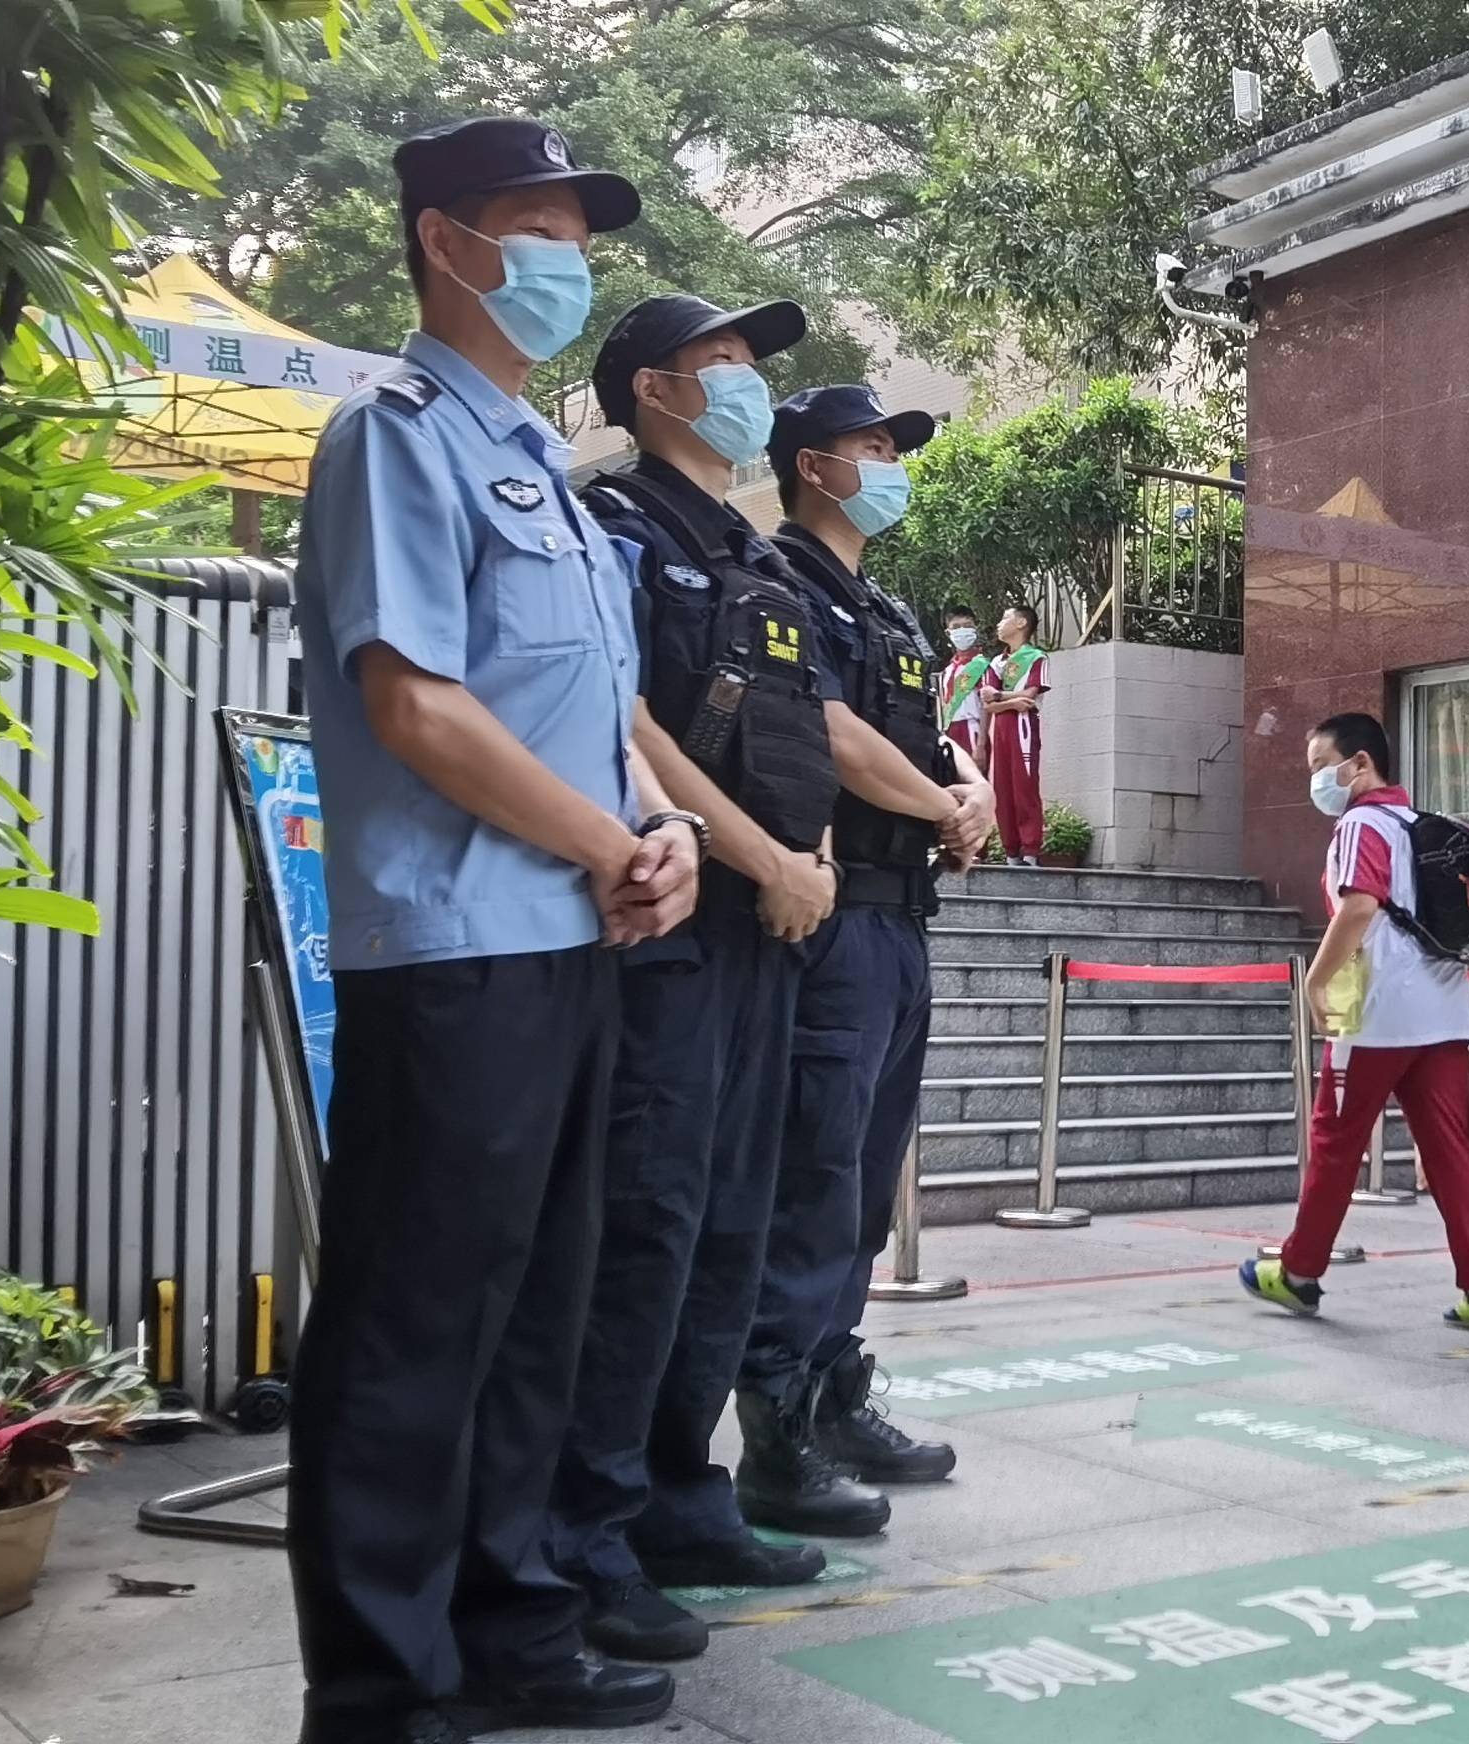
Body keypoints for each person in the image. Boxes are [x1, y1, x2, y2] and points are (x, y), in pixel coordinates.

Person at [283, 117, 694, 1744]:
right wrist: (614, 838)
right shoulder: (397, 437)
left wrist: (653, 835)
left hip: (572, 939)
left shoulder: (551, 478)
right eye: (539, 226)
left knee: (539, 1302)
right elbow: (417, 704)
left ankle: (510, 1617)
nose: (568, 260)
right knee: (417, 1313)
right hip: (457, 950)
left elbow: (600, 721)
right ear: (445, 241)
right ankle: (382, 1681)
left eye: (580, 233)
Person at [541, 290, 851, 1665]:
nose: (750, 389)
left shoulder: (759, 559)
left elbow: (797, 739)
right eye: (726, 364)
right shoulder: (613, 528)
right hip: (667, 923)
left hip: (768, 932)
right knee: (647, 1225)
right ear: (656, 388)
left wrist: (816, 862)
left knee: (732, 1218)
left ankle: (682, 1491)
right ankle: (586, 1533)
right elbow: (627, 720)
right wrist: (761, 863)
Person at [751, 383, 996, 1535]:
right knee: (817, 1174)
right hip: (839, 916)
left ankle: (838, 1385)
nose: (892, 462)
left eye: (896, 448)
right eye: (872, 446)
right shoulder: (783, 580)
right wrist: (945, 807)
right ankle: (776, 1426)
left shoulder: (886, 609)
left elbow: (919, 731)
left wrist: (973, 784)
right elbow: (830, 733)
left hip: (903, 921)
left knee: (863, 1178)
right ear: (812, 464)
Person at [1241, 713, 1469, 1331]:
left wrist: (1316, 978)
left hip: (1374, 1012)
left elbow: (1360, 905)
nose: (1316, 779)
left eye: (1320, 765)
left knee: (1336, 1143)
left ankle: (1299, 1273)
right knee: (1451, 1152)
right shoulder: (1421, 823)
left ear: (1360, 763)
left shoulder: (1360, 823)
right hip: (1445, 1009)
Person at [980, 605, 1049, 860]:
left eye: (1005, 618)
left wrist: (1000, 697)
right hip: (1001, 727)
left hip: (1024, 727)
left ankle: (1030, 850)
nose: (999, 624)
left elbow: (1030, 696)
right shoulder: (996, 662)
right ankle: (1011, 851)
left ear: (1021, 623)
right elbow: (988, 703)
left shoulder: (1036, 657)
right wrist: (1010, 702)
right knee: (1003, 787)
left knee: (1024, 785)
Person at [937, 606, 990, 765]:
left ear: (975, 628)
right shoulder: (948, 670)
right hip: (950, 731)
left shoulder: (981, 665)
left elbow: (986, 706)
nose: (962, 631)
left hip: (972, 729)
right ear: (948, 633)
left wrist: (981, 745)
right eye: (956, 627)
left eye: (967, 626)